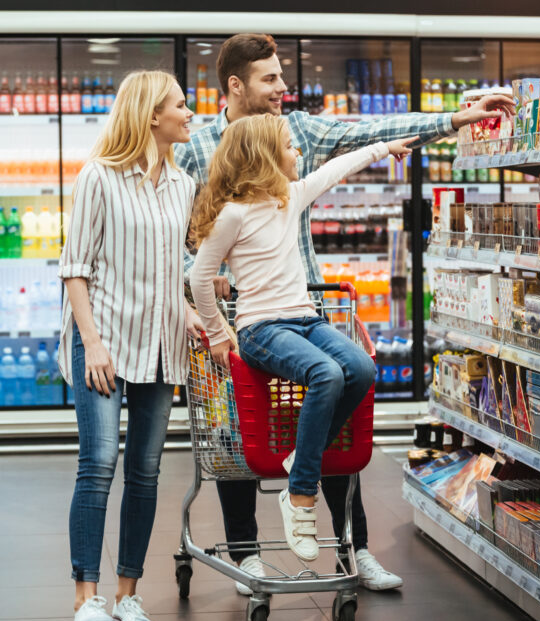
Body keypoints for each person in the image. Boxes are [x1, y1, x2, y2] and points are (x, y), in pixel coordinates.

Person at [176, 33, 514, 592]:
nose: (284, 89)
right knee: (235, 437)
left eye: (282, 78)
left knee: (336, 411)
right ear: (235, 85)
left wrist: (455, 119)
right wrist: (204, 289)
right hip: (244, 316)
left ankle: (353, 549)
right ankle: (247, 554)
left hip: (306, 301)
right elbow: (182, 230)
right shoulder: (198, 146)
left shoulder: (299, 132)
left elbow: (366, 135)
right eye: (270, 80)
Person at [190, 114, 414, 560]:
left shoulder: (289, 198)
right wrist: (218, 332)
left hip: (306, 319)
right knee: (327, 374)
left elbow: (338, 168)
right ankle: (301, 494)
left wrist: (385, 149)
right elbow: (200, 278)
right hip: (260, 328)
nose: (298, 154)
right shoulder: (232, 214)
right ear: (264, 158)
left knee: (363, 368)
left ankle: (299, 457)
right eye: (290, 147)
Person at [59, 70, 204, 621]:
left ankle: (128, 596)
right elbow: (75, 267)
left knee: (145, 472)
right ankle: (86, 598)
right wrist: (91, 342)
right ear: (150, 115)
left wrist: (188, 308)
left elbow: (174, 267)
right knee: (98, 463)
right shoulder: (98, 177)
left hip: (162, 343)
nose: (190, 113)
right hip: (105, 341)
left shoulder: (184, 184)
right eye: (180, 105)